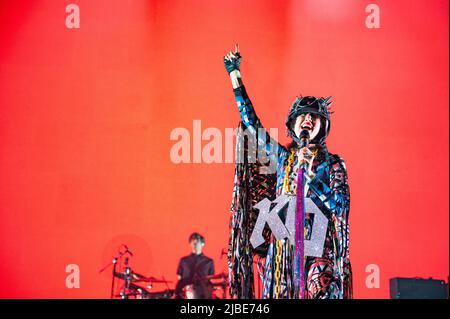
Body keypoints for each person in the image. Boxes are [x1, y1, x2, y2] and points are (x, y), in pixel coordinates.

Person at [225, 44, 352, 299]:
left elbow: (339, 206)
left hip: (317, 246)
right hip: (283, 249)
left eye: (314, 117)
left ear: (322, 127)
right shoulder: (283, 158)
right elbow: (252, 124)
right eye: (302, 115)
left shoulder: (334, 164)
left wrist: (313, 176)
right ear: (293, 125)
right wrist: (234, 75)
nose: (308, 119)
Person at [175, 232, 215, 299]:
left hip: (203, 294)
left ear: (203, 244)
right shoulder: (183, 260)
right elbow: (179, 278)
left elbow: (210, 279)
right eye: (193, 242)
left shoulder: (209, 261)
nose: (195, 244)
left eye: (197, 242)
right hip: (186, 293)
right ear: (190, 244)